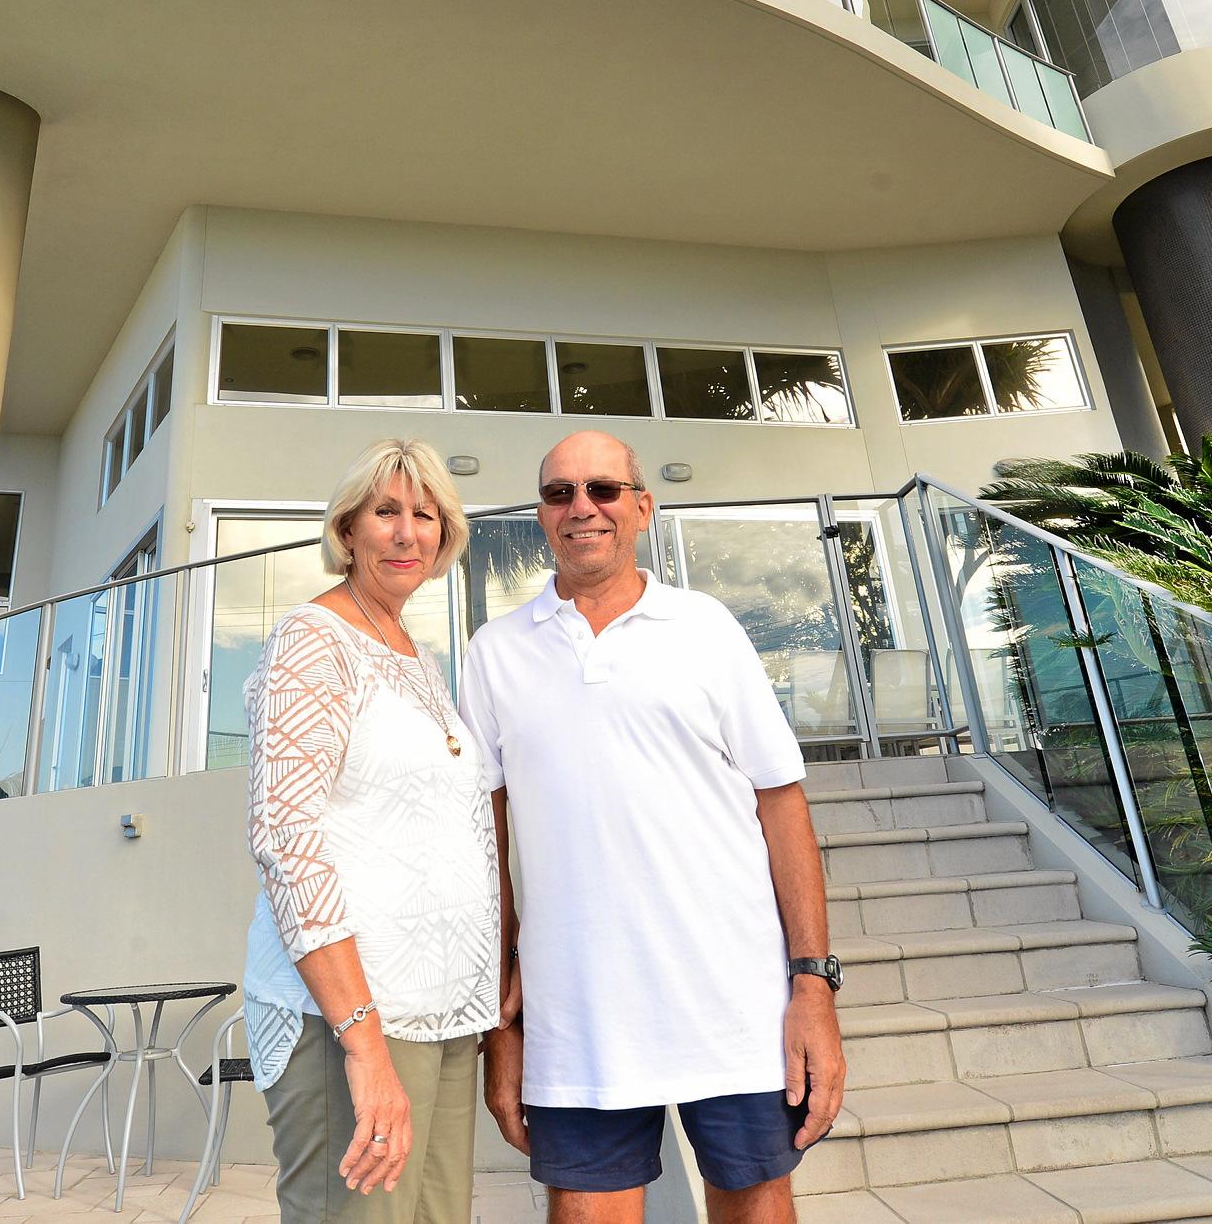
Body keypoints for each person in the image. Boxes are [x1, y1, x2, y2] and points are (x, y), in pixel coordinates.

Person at [459, 430, 844, 1224]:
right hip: (575, 1012)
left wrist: (812, 984)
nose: (582, 508)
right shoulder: (494, 653)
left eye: (602, 489)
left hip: (733, 1001)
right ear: (541, 515)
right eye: (560, 493)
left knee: (757, 1206)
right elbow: (482, 846)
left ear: (641, 507)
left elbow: (782, 805)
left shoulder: (706, 628)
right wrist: (504, 1025)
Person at [243, 438, 499, 1224]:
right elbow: (287, 835)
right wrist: (363, 1043)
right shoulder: (314, 640)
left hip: (445, 1018)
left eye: (425, 515)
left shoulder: (417, 659)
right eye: (386, 511)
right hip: (354, 1022)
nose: (406, 532)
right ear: (347, 529)